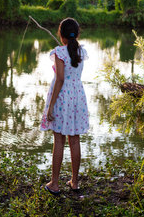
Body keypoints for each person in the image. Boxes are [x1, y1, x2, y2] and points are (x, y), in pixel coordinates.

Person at [40, 17, 89, 195]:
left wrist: (51, 106)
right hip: (78, 96)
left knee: (59, 140)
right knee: (74, 140)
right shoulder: (81, 51)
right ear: (76, 34)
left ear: (60, 34)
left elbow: (60, 79)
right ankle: (74, 182)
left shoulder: (59, 52)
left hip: (62, 97)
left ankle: (54, 184)